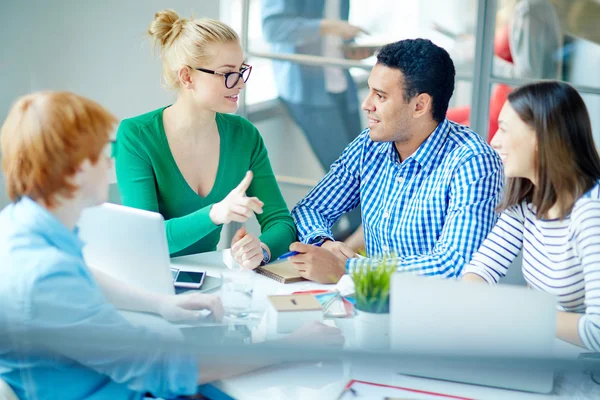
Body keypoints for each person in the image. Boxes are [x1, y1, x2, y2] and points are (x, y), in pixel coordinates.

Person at [0, 91, 342, 399]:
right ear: (74, 171)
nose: (110, 163)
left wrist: (161, 302)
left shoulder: (19, 222)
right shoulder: (45, 275)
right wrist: (289, 348)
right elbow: (164, 370)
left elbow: (80, 272)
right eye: (104, 152)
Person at [289, 39, 504, 284]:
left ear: (420, 105)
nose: (366, 104)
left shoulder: (473, 162)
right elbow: (311, 208)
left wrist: (349, 268)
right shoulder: (370, 145)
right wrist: (324, 244)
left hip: (434, 314)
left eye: (380, 96)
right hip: (370, 302)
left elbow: (456, 265)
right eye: (370, 91)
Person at [115, 10, 296, 269]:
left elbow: (281, 222)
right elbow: (145, 240)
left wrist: (262, 249)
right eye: (227, 73)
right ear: (187, 76)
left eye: (241, 70)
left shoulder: (244, 135)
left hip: (207, 280)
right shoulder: (136, 135)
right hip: (147, 279)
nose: (240, 83)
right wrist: (215, 213)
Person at [461, 81, 600, 352]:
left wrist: (521, 314)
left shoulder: (590, 214)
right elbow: (480, 268)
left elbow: (598, 332)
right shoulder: (529, 199)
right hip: (541, 351)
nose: (493, 141)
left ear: (541, 137)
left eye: (503, 128)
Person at [261, 0, 367, 239]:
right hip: (307, 90)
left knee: (366, 170)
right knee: (349, 177)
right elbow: (272, 28)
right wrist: (328, 26)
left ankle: (351, 241)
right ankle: (353, 245)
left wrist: (350, 47)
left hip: (341, 84)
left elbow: (332, 42)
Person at [447, 0, 563, 142]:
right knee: (435, 119)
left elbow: (527, 80)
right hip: (496, 106)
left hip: (507, 117)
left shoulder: (528, 11)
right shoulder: (523, 9)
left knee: (434, 131)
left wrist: (481, 55)